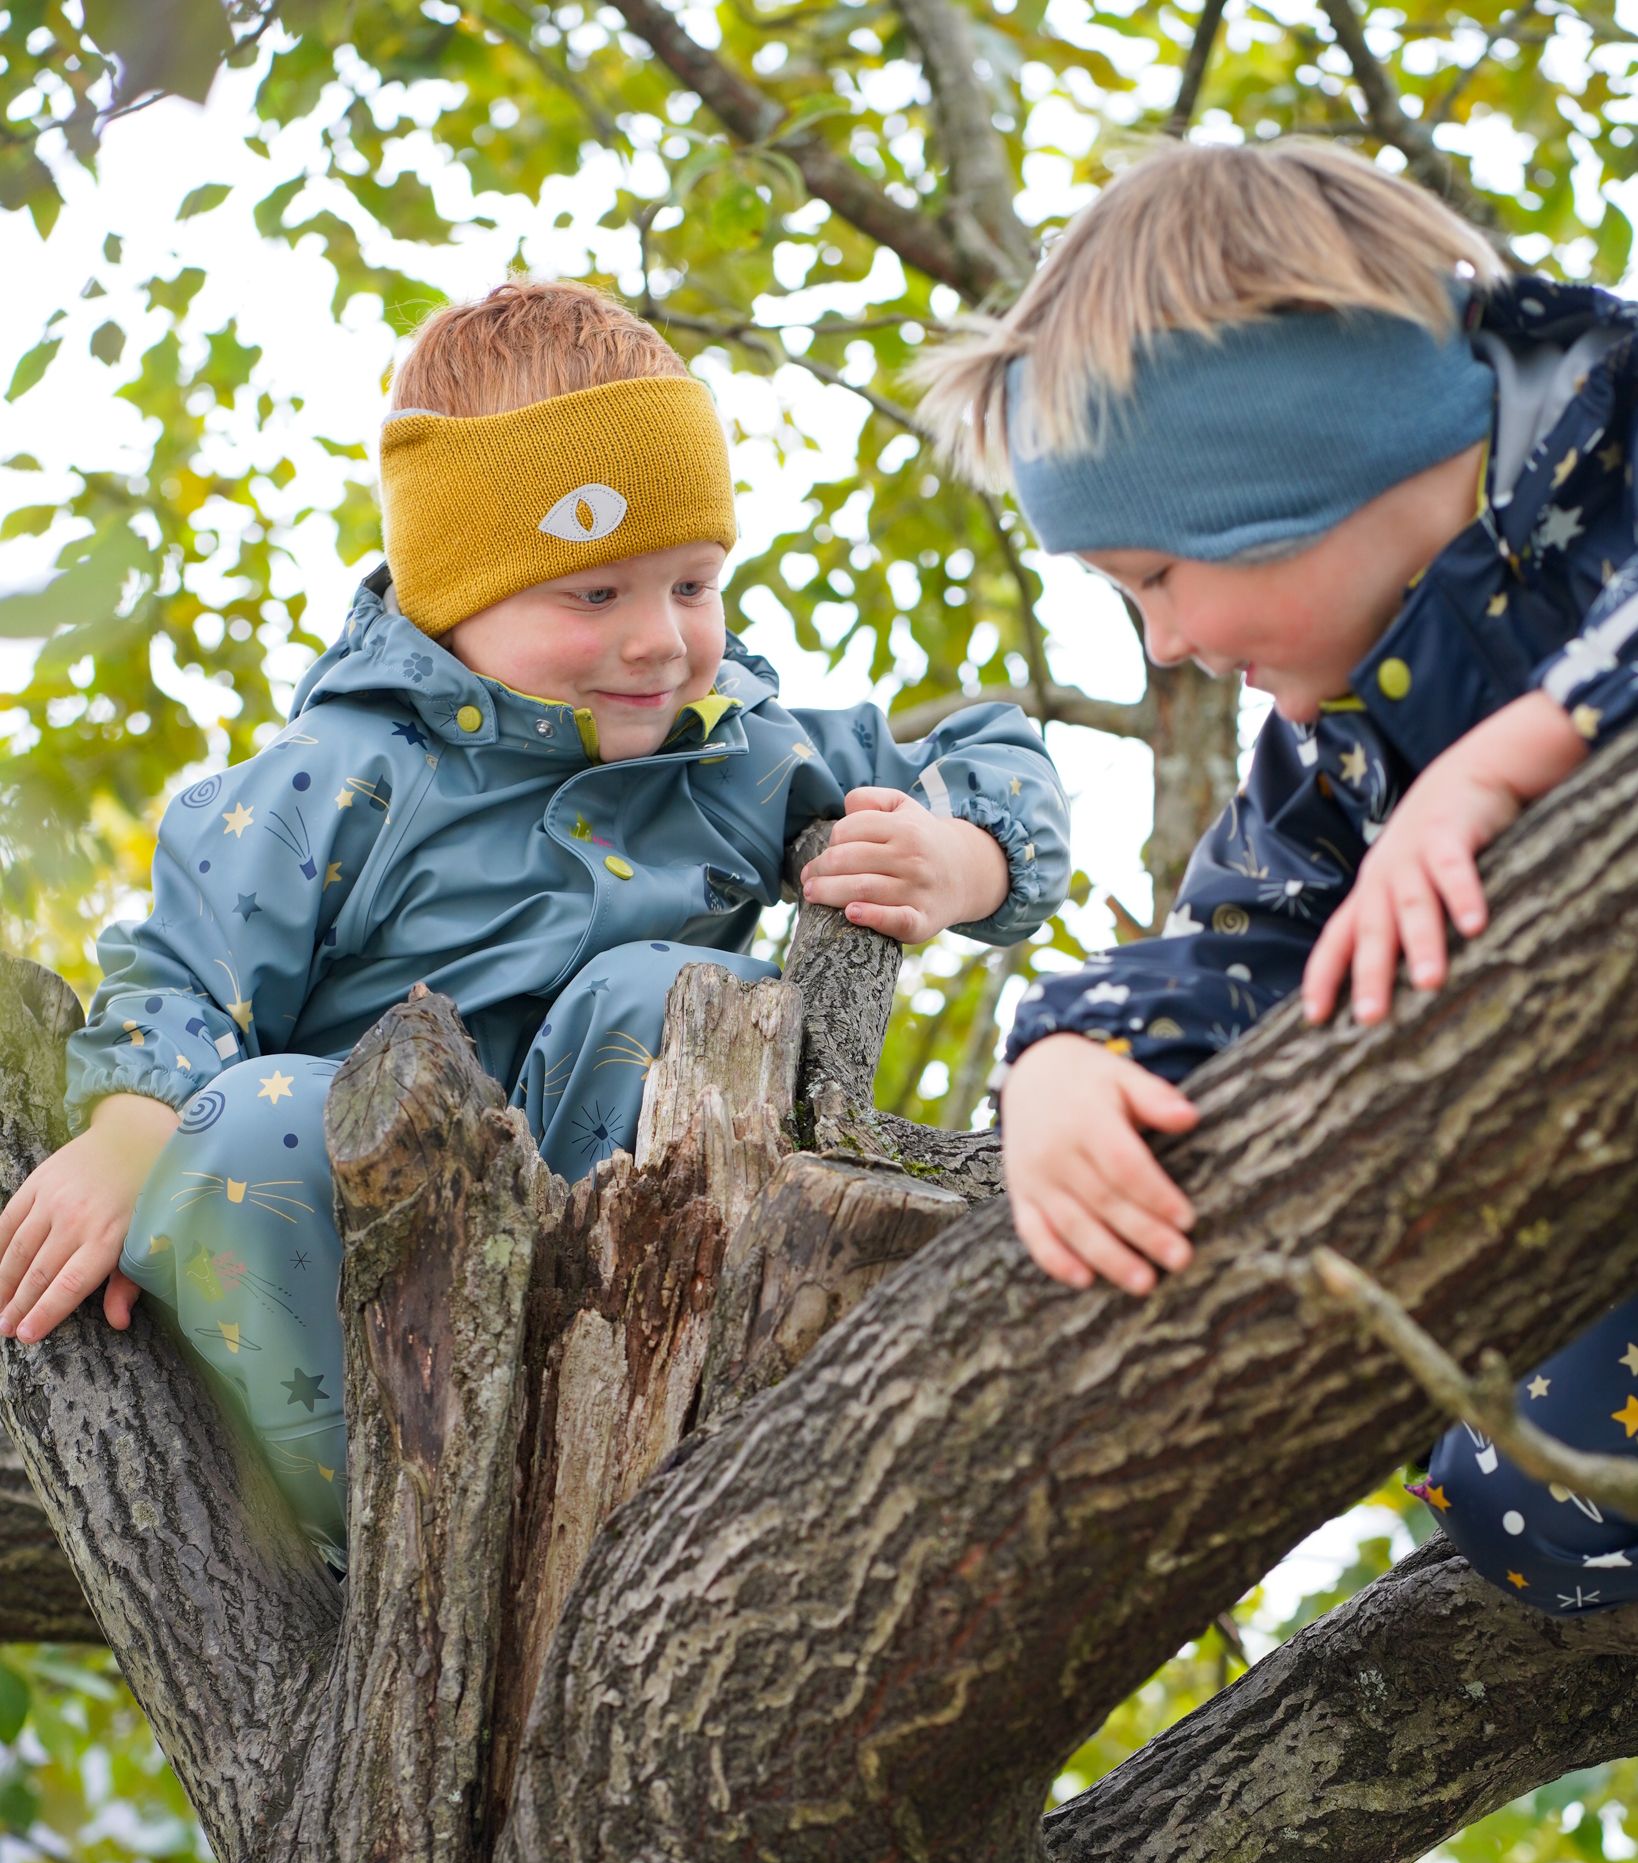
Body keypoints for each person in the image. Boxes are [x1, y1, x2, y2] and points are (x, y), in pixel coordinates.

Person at [0, 279, 1071, 1566]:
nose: (661, 642)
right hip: (357, 1295)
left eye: (692, 583)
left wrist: (956, 858)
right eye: (594, 595)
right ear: (456, 592)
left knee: (666, 991)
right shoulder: (339, 776)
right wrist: (128, 1130)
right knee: (252, 1118)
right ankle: (404, 1544)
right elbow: (184, 968)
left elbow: (987, 748)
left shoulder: (732, 750)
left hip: (615, 1290)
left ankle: (614, 1446)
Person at [916, 138, 1638, 1617]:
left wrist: (1511, 758)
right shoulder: (1337, 761)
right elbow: (1244, 946)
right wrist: (1061, 1052)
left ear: (1299, 472)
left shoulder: (1612, 442)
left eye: (1157, 577)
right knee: (1506, 1475)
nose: (1165, 645)